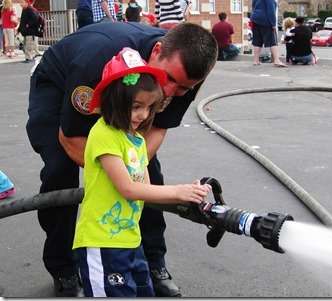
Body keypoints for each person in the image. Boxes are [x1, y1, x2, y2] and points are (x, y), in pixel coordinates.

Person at [26, 21, 217, 298]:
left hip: (126, 97)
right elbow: (70, 138)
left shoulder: (187, 76)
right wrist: (115, 174)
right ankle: (64, 267)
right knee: (59, 169)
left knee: (149, 173)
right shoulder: (92, 62)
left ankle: (154, 262)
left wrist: (133, 170)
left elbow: (157, 129)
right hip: (60, 84)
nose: (171, 91)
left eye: (183, 88)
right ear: (158, 51)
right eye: (170, 80)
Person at [72, 47, 212, 297]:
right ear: (115, 99)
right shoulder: (104, 134)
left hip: (130, 240)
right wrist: (177, 191)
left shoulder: (135, 139)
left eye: (149, 107)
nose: (143, 115)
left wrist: (187, 193)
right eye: (136, 106)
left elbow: (146, 191)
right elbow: (127, 188)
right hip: (102, 242)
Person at [250, 0, 286, 67]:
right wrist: (273, 23)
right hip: (266, 20)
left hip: (255, 18)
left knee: (257, 40)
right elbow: (271, 11)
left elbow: (253, 7)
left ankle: (256, 60)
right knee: (272, 40)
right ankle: (276, 60)